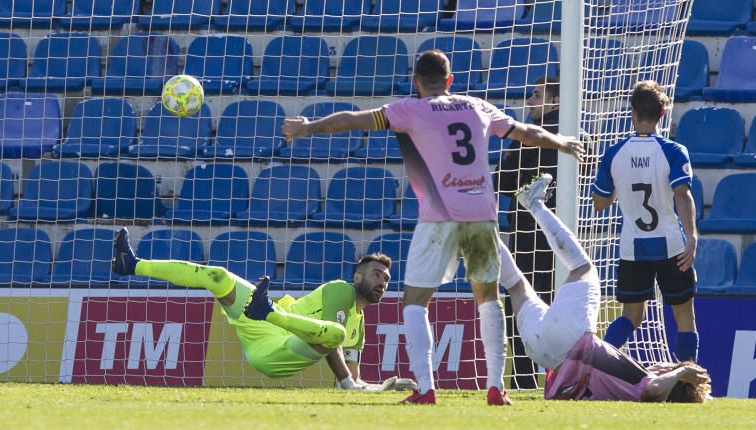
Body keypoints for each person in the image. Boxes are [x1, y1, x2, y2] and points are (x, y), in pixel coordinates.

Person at [282, 50, 584, 405]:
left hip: (439, 218)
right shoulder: (476, 106)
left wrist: (308, 128)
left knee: (415, 301)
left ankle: (425, 388)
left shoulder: (409, 109)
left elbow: (352, 120)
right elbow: (526, 132)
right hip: (480, 215)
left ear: (416, 82)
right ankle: (496, 388)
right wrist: (562, 142)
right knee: (488, 299)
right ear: (450, 80)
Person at [111, 229, 416, 391]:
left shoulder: (357, 328)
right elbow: (348, 382)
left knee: (334, 333)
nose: (383, 282)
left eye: (387, 279)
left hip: (276, 351)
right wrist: (353, 385)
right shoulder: (341, 289)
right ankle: (133, 264)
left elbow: (350, 381)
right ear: (358, 276)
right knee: (218, 276)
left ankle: (267, 309)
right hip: (264, 323)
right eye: (377, 274)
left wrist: (382, 387)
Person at [504, 174, 711, 402]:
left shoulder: (645, 385)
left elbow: (654, 389)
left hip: (570, 341)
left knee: (583, 268)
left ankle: (534, 203)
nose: (667, 363)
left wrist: (681, 371)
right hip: (541, 353)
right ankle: (476, 229)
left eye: (671, 366)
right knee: (515, 285)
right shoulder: (626, 382)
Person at [591, 81, 700, 362]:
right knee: (684, 315)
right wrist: (692, 237)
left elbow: (600, 204)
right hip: (671, 245)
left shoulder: (614, 153)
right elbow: (682, 196)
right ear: (662, 113)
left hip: (632, 247)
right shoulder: (675, 151)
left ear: (632, 113)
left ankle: (598, 370)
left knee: (631, 316)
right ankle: (689, 381)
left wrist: (619, 183)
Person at [495, 76, 561, 389]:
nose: (530, 101)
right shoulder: (577, 136)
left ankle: (523, 379)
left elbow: (501, 183)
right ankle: (561, 377)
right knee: (557, 308)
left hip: (527, 236)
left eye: (536, 95)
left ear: (556, 100)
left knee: (521, 306)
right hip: (564, 240)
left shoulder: (526, 138)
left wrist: (525, 184)